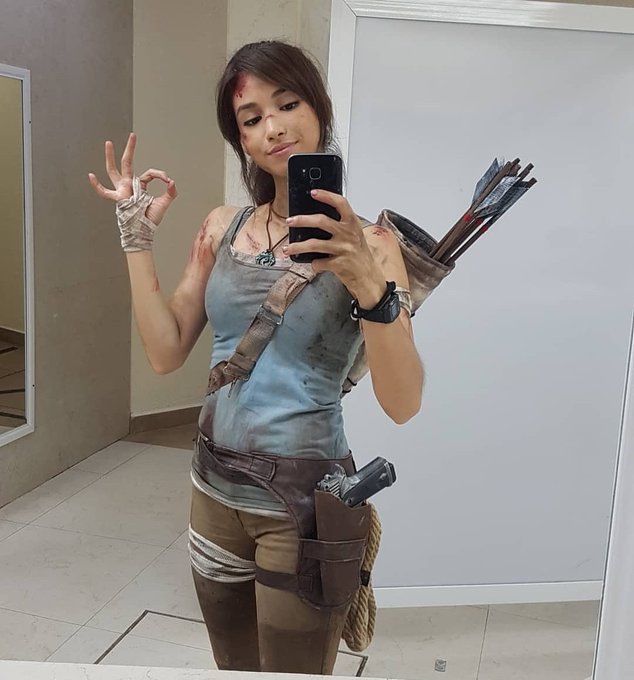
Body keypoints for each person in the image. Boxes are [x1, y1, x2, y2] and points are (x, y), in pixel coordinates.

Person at [89, 40, 423, 676]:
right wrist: (136, 237)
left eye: (288, 104)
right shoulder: (222, 226)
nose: (273, 127)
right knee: (234, 668)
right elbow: (165, 351)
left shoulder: (376, 245)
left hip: (303, 505)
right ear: (240, 140)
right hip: (211, 491)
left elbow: (403, 403)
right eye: (251, 117)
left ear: (319, 109)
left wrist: (367, 282)